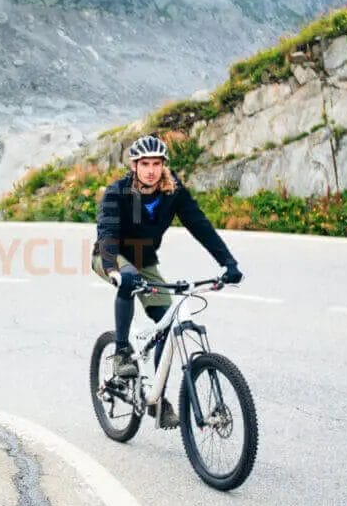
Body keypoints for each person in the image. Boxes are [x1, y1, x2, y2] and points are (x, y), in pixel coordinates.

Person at [91, 134, 243, 428]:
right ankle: (122, 352)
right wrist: (112, 269)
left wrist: (228, 262)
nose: (151, 170)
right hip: (110, 256)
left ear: (163, 165)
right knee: (129, 279)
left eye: (156, 164)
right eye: (145, 164)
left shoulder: (173, 191)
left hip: (144, 260)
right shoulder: (118, 192)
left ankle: (156, 399)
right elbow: (107, 232)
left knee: (168, 321)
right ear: (134, 166)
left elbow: (200, 225)